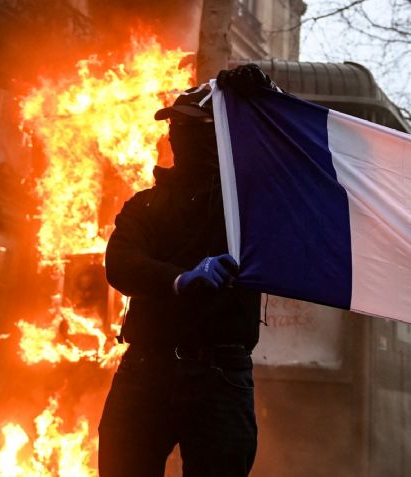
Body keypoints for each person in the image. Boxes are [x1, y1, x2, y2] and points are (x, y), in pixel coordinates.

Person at [98, 65, 276, 476]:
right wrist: (179, 279)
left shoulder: (245, 207)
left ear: (216, 137)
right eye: (174, 125)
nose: (175, 135)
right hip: (146, 368)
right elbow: (121, 264)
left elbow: (288, 164)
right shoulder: (145, 205)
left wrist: (264, 98)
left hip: (220, 377)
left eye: (189, 126)